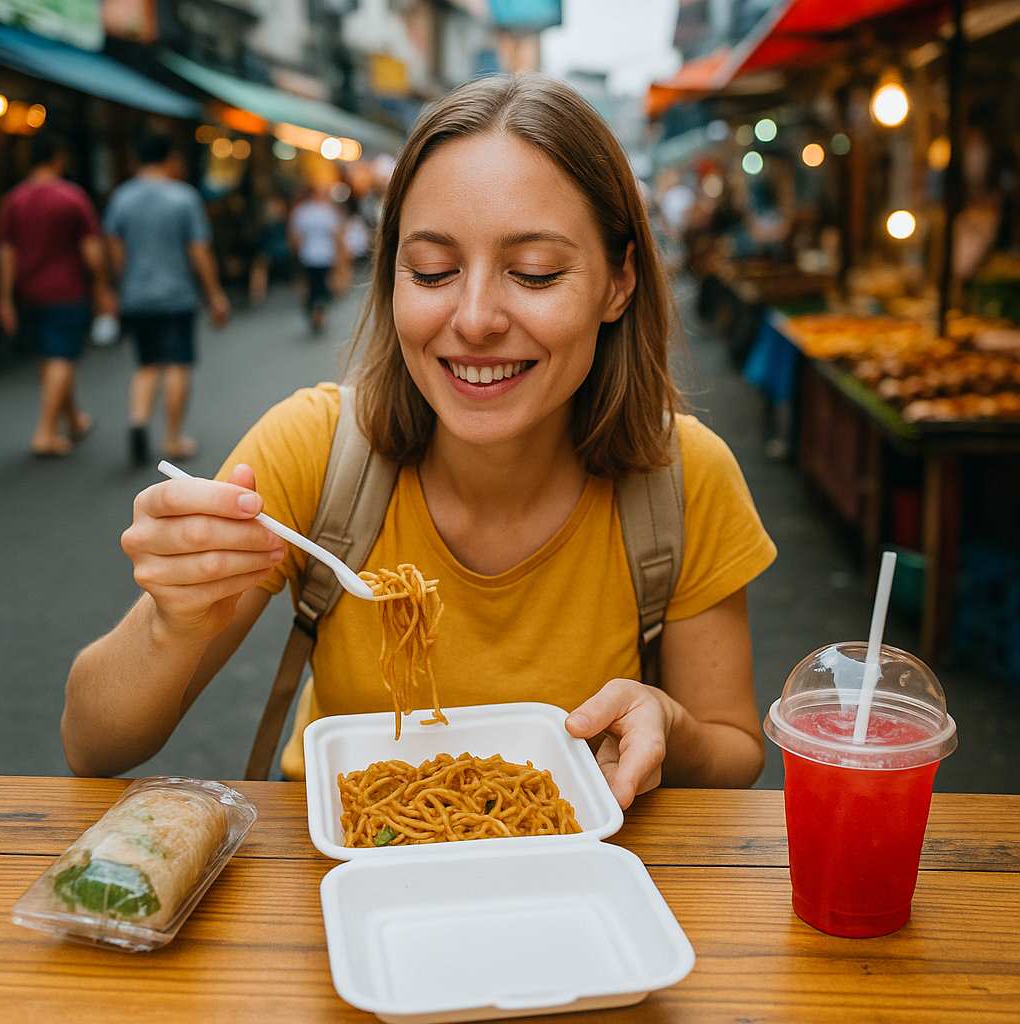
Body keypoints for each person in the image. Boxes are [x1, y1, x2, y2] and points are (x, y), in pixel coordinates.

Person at [62, 75, 777, 809]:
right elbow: (93, 745)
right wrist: (171, 621)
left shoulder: (683, 477)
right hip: (339, 885)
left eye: (533, 273)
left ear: (618, 282)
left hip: (576, 890)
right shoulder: (312, 450)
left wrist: (669, 725)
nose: (473, 319)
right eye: (433, 270)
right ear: (392, 275)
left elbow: (732, 748)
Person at [103, 132, 231, 466]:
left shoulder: (122, 198)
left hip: (137, 295)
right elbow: (199, 250)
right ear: (170, 158)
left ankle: (138, 420)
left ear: (137, 158)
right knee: (177, 364)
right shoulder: (183, 198)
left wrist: (120, 286)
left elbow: (115, 249)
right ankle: (172, 438)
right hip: (177, 296)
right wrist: (215, 294)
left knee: (146, 364)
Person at [0, 131, 114, 456]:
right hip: (67, 290)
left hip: (29, 291)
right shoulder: (72, 197)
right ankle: (44, 432)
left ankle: (73, 418)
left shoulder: (14, 199)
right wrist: (103, 287)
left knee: (48, 357)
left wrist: (5, 298)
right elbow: (91, 250)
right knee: (62, 357)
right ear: (58, 156)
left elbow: (6, 253)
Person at [288, 181, 349, 332]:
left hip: (307, 255)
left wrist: (296, 253)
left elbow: (295, 238)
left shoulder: (301, 212)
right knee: (322, 284)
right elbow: (337, 236)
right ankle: (320, 310)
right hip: (325, 255)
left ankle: (314, 309)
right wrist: (340, 257)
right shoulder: (328, 212)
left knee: (311, 284)